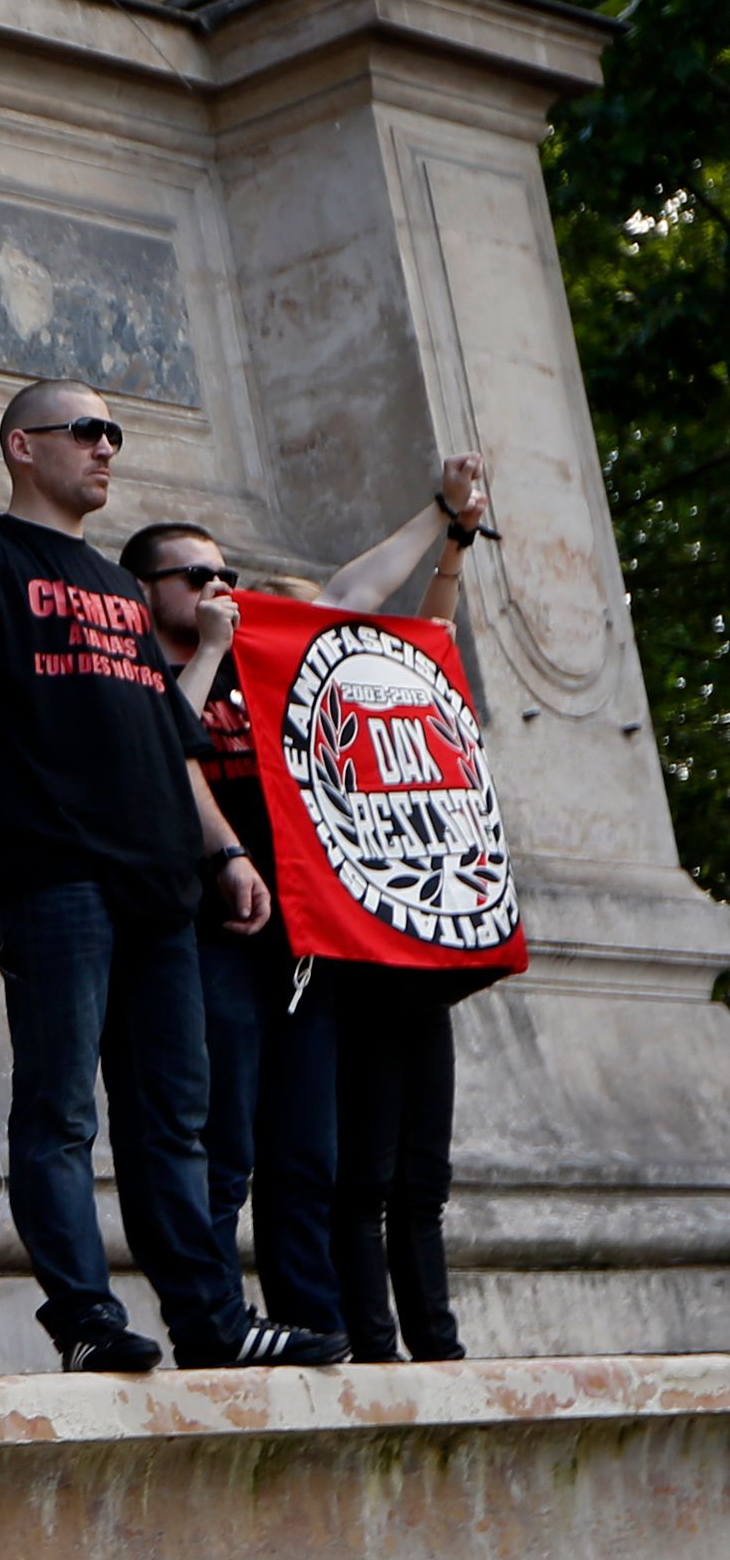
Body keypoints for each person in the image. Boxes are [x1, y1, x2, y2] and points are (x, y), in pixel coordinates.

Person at [0, 379, 349, 1372]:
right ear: (20, 446)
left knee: (175, 1118)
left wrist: (222, 851)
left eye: (111, 431)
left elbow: (170, 740)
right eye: (83, 430)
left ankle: (210, 1321)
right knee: (59, 1110)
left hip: (163, 885)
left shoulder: (125, 593)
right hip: (56, 873)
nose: (105, 445)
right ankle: (83, 1316)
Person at [121, 456, 487, 1346]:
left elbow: (354, 591)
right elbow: (166, 743)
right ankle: (212, 1327)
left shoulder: (270, 666)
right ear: (145, 591)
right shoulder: (148, 671)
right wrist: (208, 647)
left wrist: (439, 513)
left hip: (302, 946)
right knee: (222, 1153)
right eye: (197, 576)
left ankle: (311, 1326)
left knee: (307, 1157)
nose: (220, 589)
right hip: (208, 937)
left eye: (227, 576)